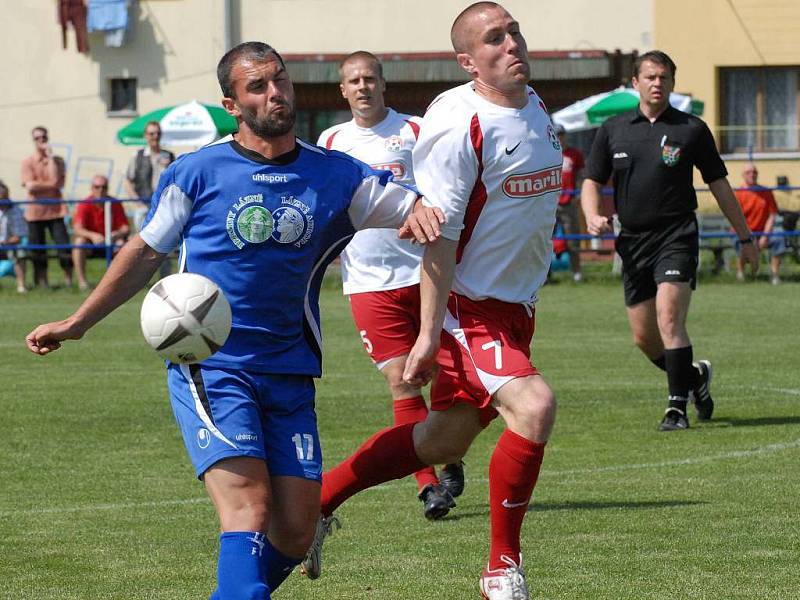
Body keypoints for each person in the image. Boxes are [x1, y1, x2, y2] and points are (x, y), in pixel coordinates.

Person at [26, 41, 442, 600]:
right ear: (231, 103)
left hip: (291, 370)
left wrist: (419, 210)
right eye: (257, 86)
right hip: (214, 367)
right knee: (249, 509)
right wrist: (79, 321)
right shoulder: (197, 172)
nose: (275, 93)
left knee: (294, 530)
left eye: (280, 80)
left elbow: (413, 207)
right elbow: (145, 254)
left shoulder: (337, 177)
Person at [301, 4, 559, 598]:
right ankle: (502, 570)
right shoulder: (455, 122)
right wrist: (426, 333)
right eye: (494, 39)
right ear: (468, 61)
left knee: (442, 439)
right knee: (535, 406)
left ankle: (315, 504)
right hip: (469, 306)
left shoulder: (537, 105)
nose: (512, 44)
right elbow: (437, 237)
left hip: (516, 308)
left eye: (514, 31)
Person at [317, 51, 463, 521]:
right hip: (366, 281)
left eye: (369, 79)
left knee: (445, 375)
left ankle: (448, 452)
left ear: (383, 84)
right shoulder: (331, 140)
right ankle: (428, 487)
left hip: (425, 274)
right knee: (402, 383)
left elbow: (443, 190)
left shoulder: (416, 130)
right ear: (343, 90)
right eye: (353, 81)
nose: (362, 87)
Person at [580, 50, 759, 432]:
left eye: (664, 77)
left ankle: (676, 408)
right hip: (631, 241)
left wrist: (745, 237)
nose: (657, 83)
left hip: (676, 235)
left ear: (672, 83)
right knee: (645, 338)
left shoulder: (691, 129)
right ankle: (694, 379)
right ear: (635, 83)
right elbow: (591, 181)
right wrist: (593, 215)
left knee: (669, 318)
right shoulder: (613, 130)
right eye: (650, 77)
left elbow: (721, 186)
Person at [20, 126, 73, 288]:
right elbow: (30, 186)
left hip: (56, 211)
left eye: (43, 137)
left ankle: (69, 282)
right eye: (37, 138)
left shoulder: (58, 161)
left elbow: (57, 181)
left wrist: (50, 158)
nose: (41, 140)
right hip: (35, 213)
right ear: (33, 140)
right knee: (37, 250)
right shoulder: (27, 162)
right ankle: (42, 283)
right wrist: (51, 185)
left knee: (64, 247)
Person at [125, 120, 175, 277]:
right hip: (144, 206)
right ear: (146, 136)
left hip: (164, 207)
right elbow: (128, 180)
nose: (155, 136)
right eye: (152, 133)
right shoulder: (138, 156)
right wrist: (137, 202)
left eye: (158, 133)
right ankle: (137, 280)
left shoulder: (169, 156)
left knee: (165, 244)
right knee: (142, 245)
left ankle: (164, 279)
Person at [71, 175, 130, 291]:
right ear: (92, 188)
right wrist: (92, 235)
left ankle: (118, 284)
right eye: (97, 187)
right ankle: (82, 283)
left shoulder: (115, 203)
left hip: (112, 243)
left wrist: (116, 234)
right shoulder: (85, 204)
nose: (100, 190)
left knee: (122, 243)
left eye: (104, 187)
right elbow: (77, 229)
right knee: (79, 242)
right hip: (91, 244)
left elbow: (125, 228)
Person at [734, 163, 785, 285]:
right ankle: (741, 273)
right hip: (743, 232)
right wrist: (749, 237)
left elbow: (772, 215)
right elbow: (737, 218)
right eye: (748, 172)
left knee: (779, 239)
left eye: (754, 172)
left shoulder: (766, 192)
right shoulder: (738, 194)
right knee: (742, 243)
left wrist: (765, 236)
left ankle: (775, 275)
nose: (752, 175)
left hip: (763, 232)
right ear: (743, 175)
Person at [555, 124, 585, 282]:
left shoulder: (575, 154)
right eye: (556, 134)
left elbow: (581, 175)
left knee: (573, 239)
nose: (559, 137)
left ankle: (577, 273)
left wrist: (579, 193)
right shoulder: (547, 153)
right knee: (545, 239)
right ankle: (545, 276)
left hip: (568, 202)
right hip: (550, 203)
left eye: (561, 134)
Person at [0, 179, 28, 293]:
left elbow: (18, 237)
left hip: (10, 244)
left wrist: (4, 243)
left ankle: (21, 286)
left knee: (20, 252)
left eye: (3, 197)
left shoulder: (16, 210)